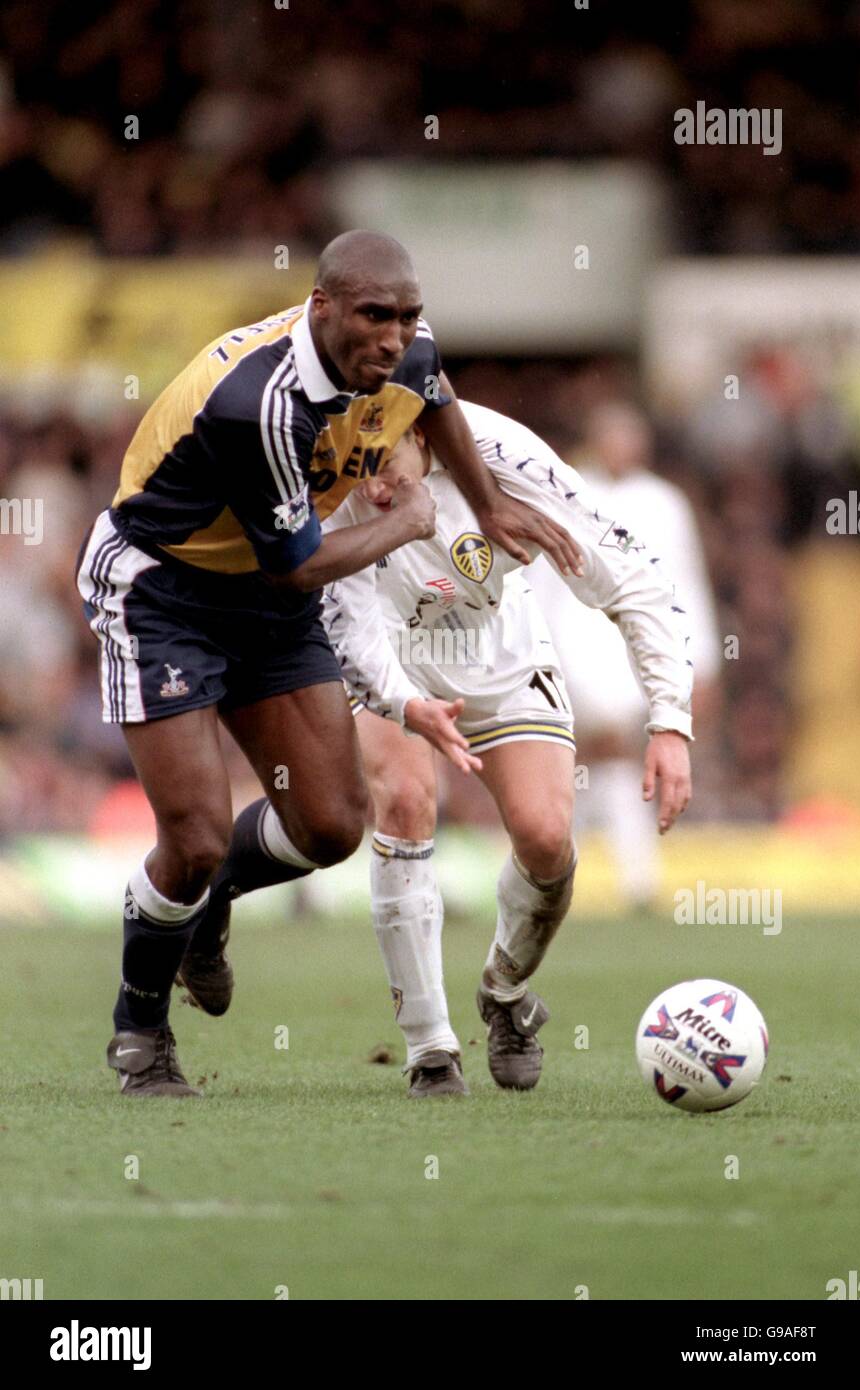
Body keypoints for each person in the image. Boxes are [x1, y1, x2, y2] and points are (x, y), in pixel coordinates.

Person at [76, 231, 582, 1099]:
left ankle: (214, 904)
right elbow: (300, 563)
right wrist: (412, 517)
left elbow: (436, 394)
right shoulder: (261, 403)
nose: (394, 336)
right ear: (322, 308)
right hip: (165, 590)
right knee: (192, 838)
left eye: (408, 316)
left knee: (332, 826)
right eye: (374, 316)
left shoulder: (407, 353)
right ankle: (141, 1028)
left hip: (265, 599)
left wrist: (489, 504)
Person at [229, 400, 689, 1097]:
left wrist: (670, 721)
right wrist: (405, 704)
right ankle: (431, 1048)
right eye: (361, 467)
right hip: (391, 656)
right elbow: (351, 622)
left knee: (543, 838)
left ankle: (504, 992)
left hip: (498, 653)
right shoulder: (333, 469)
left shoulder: (511, 458)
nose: (372, 486)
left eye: (383, 463)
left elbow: (632, 577)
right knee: (406, 801)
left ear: (421, 433)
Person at [528, 401, 720, 908]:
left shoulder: (664, 503)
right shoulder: (566, 492)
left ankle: (583, 877)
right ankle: (597, 875)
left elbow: (685, 585)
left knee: (611, 765)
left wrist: (700, 661)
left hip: (636, 653)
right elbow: (540, 584)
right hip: (572, 649)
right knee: (582, 760)